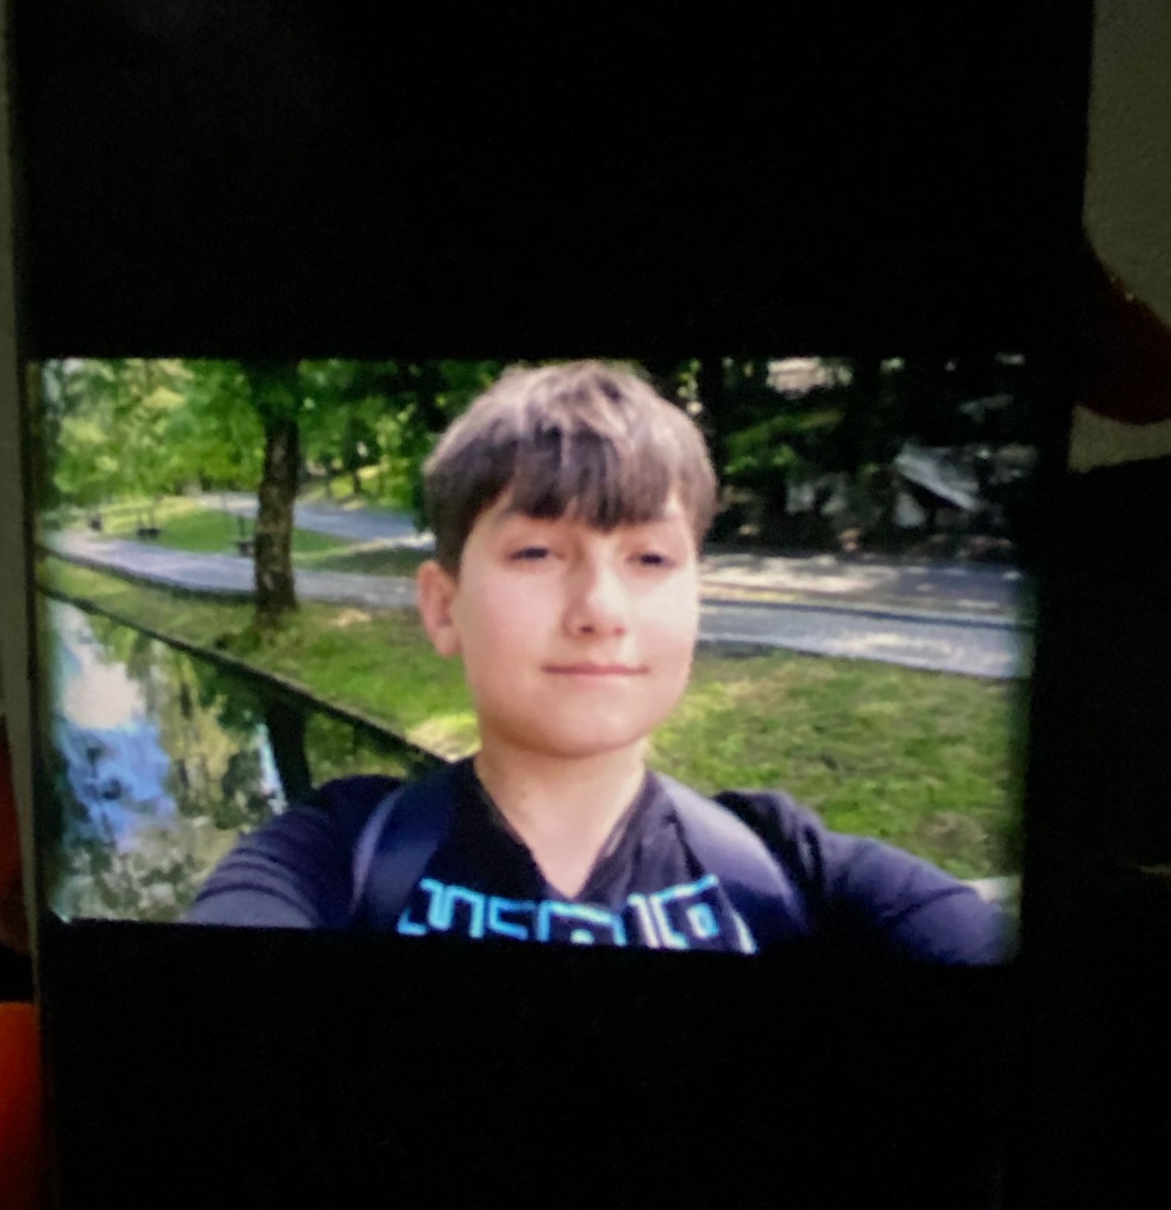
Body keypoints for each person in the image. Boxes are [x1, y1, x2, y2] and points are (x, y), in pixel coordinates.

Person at [185, 361, 1008, 962]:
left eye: (650, 559)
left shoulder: (793, 872)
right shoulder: (335, 855)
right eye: (538, 552)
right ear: (442, 607)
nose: (602, 610)